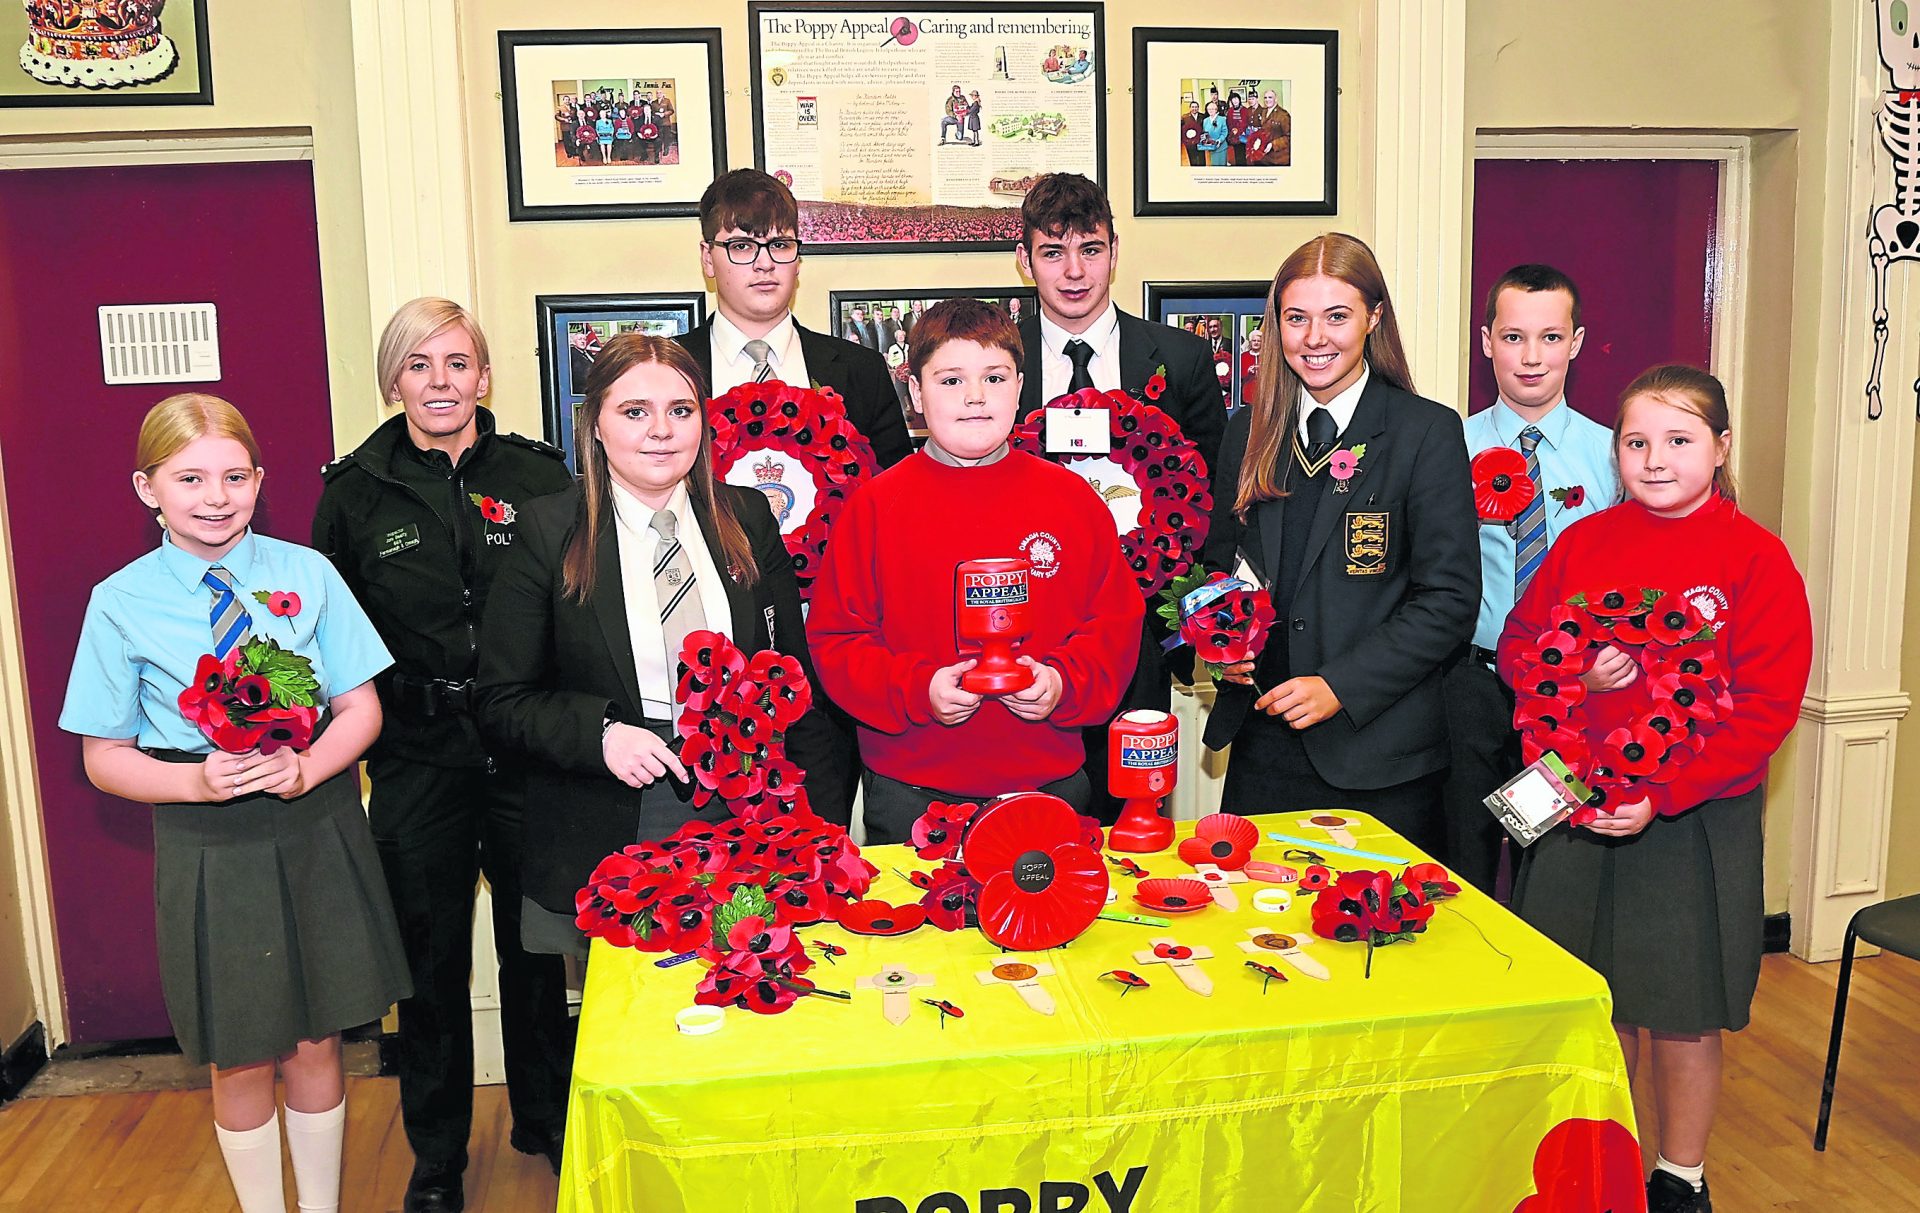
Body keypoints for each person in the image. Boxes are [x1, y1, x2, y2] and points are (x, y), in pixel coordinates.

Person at [61, 394, 409, 1213]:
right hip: (207, 838)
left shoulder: (308, 574)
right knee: (241, 1048)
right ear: (147, 487)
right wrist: (192, 780)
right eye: (190, 478)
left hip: (314, 819)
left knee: (319, 1036)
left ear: (260, 480)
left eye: (234, 475)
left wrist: (309, 766)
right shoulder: (118, 602)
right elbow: (104, 757)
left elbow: (361, 707)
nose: (215, 496)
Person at [1497, 365, 1811, 1213]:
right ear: (1616, 452)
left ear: (1720, 447)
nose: (1656, 458)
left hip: (1691, 817)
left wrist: (1665, 795)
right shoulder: (1584, 544)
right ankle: (1599, 1164)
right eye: (1637, 442)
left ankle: (1680, 1174)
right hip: (1575, 806)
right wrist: (1585, 682)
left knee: (1679, 1007)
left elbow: (1767, 706)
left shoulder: (1756, 557)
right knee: (1594, 1002)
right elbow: (1523, 651)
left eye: (1678, 440)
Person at [311, 299, 574, 1212]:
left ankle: (547, 1114)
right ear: (394, 381)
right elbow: (329, 637)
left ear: (485, 376)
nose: (440, 382)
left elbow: (572, 613)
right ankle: (438, 1155)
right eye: (418, 365)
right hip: (417, 756)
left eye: (457, 363)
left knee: (536, 950)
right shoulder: (354, 491)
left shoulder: (540, 476)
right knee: (428, 966)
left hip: (524, 751)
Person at [476, 336, 833, 945]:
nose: (662, 431)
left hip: (742, 805)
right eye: (635, 411)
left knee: (749, 1008)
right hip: (613, 811)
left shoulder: (747, 517)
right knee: (634, 1026)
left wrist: (805, 814)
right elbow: (501, 700)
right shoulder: (549, 529)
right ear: (594, 426)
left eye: (682, 410)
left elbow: (793, 680)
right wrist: (601, 735)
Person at [807, 299, 1142, 842]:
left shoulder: (1073, 500)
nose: (975, 397)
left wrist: (1061, 682)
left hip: (1049, 785)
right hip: (910, 794)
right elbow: (837, 640)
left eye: (994, 377)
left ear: (1020, 386)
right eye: (950, 379)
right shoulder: (873, 506)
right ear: (915, 393)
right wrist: (918, 689)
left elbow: (1116, 626)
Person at [1200, 233, 1478, 853]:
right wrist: (1218, 639)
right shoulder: (1249, 430)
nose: (1315, 337)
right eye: (1297, 318)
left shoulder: (1424, 432)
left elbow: (1449, 601)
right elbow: (1217, 567)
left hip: (1378, 752)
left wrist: (1341, 686)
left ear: (1373, 318)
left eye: (1337, 316)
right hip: (1263, 744)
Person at [675, 169, 914, 822]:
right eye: (741, 246)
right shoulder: (668, 369)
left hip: (830, 657)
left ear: (799, 259)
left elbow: (899, 506)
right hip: (703, 653)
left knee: (820, 844)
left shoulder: (856, 372)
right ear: (707, 256)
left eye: (780, 245)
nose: (762, 264)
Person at [1013, 172, 1226, 821]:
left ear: (1115, 248)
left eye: (1091, 248)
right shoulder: (995, 360)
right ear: (1025, 260)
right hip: (1028, 630)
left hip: (1136, 637)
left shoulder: (1180, 360)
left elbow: (1212, 504)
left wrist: (1194, 627)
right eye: (1053, 252)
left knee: (1135, 814)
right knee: (1037, 817)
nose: (1074, 271)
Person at [1440, 265, 1618, 893]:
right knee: (1467, 855)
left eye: (1549, 337)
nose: (1532, 357)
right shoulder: (1446, 448)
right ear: (1486, 341)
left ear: (1575, 342)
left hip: (1573, 693)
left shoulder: (1614, 454)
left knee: (1555, 862)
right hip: (1473, 684)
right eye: (1514, 338)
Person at [1200, 100, 1228, 166]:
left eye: (1212, 109)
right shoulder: (1205, 120)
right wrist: (1205, 140)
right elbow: (1205, 133)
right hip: (1211, 147)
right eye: (1209, 109)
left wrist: (1219, 140)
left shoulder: (1222, 119)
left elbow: (1224, 132)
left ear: (1216, 110)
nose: (1210, 110)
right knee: (1214, 166)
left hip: (1221, 147)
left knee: (1221, 166)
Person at [1226, 90, 1250, 166]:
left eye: (1236, 99)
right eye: (1233, 99)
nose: (1235, 101)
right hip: (1234, 135)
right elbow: (1229, 123)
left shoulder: (1245, 110)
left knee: (1242, 153)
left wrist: (1238, 130)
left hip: (1242, 134)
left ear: (1239, 100)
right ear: (1231, 101)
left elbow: (1245, 122)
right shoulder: (1230, 111)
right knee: (1236, 153)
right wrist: (1233, 130)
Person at [1180, 99, 1205, 166]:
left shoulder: (1203, 116)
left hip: (1200, 141)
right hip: (1190, 142)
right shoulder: (1184, 117)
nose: (1194, 108)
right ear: (1190, 108)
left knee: (1202, 158)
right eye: (1193, 107)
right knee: (1192, 158)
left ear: (1198, 108)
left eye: (1196, 107)